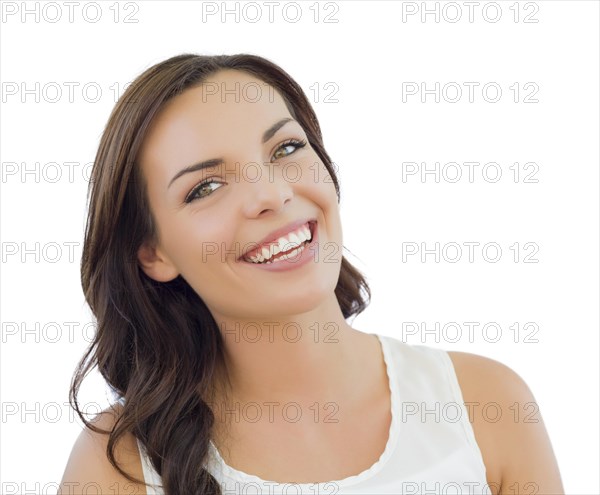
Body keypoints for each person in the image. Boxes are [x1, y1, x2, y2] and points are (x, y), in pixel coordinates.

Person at [59, 53, 564, 495]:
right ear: (152, 253)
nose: (271, 194)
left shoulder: (486, 403)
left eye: (285, 150)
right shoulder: (121, 468)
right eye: (206, 187)